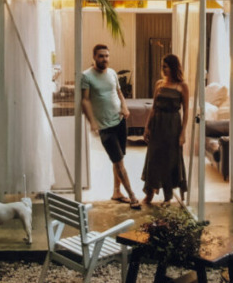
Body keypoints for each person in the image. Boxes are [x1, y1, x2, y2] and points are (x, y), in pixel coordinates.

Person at [81, 44, 141, 209]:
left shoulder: (113, 73)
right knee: (119, 161)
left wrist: (125, 106)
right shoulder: (86, 76)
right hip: (105, 126)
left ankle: (117, 192)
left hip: (120, 121)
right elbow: (85, 100)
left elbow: (119, 93)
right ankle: (133, 196)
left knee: (119, 159)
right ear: (94, 57)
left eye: (107, 56)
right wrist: (91, 120)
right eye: (101, 56)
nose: (104, 59)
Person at [141, 53, 189, 205]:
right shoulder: (159, 84)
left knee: (170, 160)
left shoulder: (182, 86)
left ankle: (168, 196)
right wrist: (147, 127)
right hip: (157, 124)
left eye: (166, 67)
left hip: (173, 125)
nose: (163, 70)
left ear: (173, 68)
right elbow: (154, 107)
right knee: (153, 158)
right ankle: (149, 193)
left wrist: (183, 133)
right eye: (162, 67)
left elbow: (187, 111)